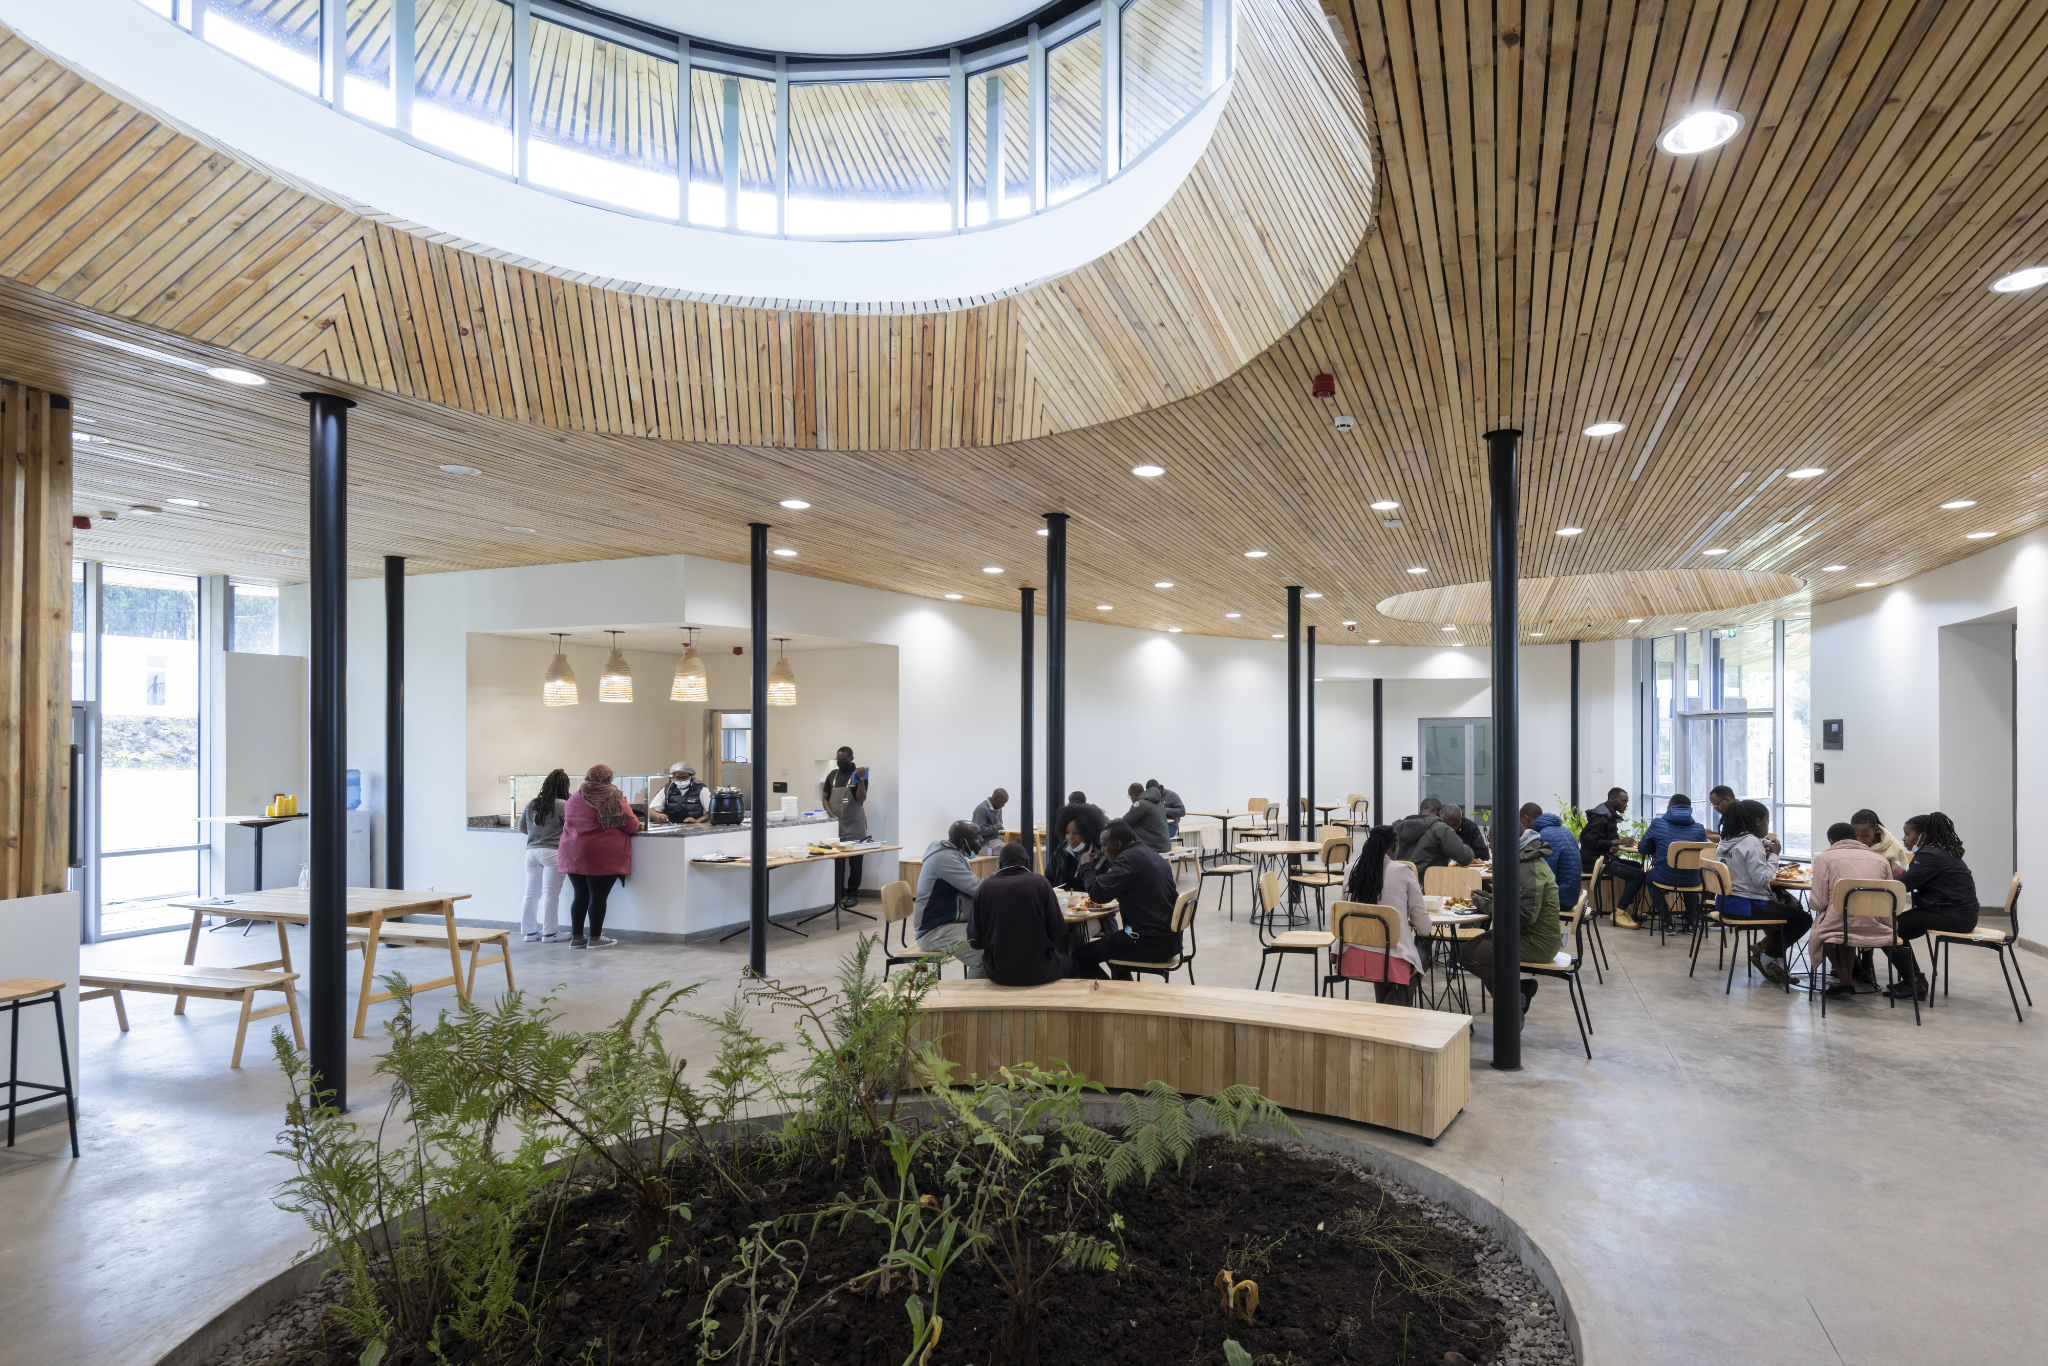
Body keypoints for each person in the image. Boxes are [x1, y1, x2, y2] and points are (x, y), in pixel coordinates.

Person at [1457, 827, 1560, 1014]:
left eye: (1492, 843)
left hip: (1536, 943)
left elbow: (1524, 915)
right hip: (1526, 936)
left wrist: (1485, 906)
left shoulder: (1527, 868)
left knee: (1470, 956)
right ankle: (1515, 1000)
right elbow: (1513, 901)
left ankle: (1513, 1002)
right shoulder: (1525, 859)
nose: (1490, 848)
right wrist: (1488, 898)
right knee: (1472, 949)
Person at [1883, 813, 1978, 1001]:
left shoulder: (1930, 854)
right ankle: (1916, 979)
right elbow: (1915, 878)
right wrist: (1904, 875)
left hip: (1952, 915)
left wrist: (1894, 876)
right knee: (1893, 927)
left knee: (1886, 929)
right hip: (1959, 913)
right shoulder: (1941, 852)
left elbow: (1905, 885)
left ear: (1923, 836)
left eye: (1907, 834)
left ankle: (1913, 982)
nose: (1903, 838)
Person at [1074, 820, 1182, 979]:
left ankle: (1112, 993)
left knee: (1079, 955)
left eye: (1104, 845)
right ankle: (1124, 992)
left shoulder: (1128, 860)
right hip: (1170, 941)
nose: (1102, 851)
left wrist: (1085, 867)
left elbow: (1098, 894)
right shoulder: (1150, 854)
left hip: (1150, 944)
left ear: (1117, 845)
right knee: (1112, 946)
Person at [1714, 799, 1806, 985]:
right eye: (1767, 820)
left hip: (1725, 902)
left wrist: (1763, 843)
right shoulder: (1752, 844)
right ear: (1757, 821)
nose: (1768, 825)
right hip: (1745, 905)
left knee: (1785, 913)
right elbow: (1762, 880)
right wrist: (1774, 856)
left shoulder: (1727, 839)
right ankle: (1765, 959)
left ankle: (1776, 962)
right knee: (1803, 918)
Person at [1338, 824, 1432, 1004]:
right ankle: (1390, 1012)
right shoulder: (1404, 871)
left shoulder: (1351, 869)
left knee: (1383, 948)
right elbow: (1425, 928)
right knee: (1420, 956)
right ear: (1395, 846)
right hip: (1390, 959)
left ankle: (1382, 1011)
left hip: (1351, 954)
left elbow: (1346, 909)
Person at [1808, 820, 1897, 999]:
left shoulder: (1824, 858)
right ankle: (1845, 981)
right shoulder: (1880, 860)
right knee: (1844, 924)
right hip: (1879, 926)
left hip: (1840, 925)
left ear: (1832, 842)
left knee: (1830, 925)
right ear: (1855, 838)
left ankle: (1845, 981)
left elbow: (1817, 903)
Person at [967, 841, 1073, 985]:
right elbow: (1057, 932)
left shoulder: (985, 887)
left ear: (1000, 864)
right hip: (1040, 970)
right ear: (1028, 862)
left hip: (997, 973)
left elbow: (974, 941)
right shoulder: (1040, 883)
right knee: (1074, 964)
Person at [557, 763, 638, 948]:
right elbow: (631, 825)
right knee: (598, 896)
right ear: (608, 778)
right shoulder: (612, 797)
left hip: (572, 851)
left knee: (580, 895)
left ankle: (576, 939)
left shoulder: (574, 797)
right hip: (601, 853)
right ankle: (595, 939)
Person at [914, 820, 985, 976]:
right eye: (977, 836)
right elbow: (977, 888)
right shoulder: (945, 859)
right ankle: (977, 1000)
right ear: (963, 841)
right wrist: (1004, 886)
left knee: (993, 939)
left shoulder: (952, 854)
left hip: (947, 924)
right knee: (983, 957)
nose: (982, 840)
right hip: (933, 932)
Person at [515, 768, 571, 942]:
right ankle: (550, 933)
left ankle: (530, 933)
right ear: (564, 786)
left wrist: (537, 834)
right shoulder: (564, 804)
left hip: (531, 852)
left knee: (531, 894)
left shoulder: (532, 803)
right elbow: (571, 829)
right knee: (550, 894)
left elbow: (522, 827)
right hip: (553, 852)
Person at [1638, 794, 1709, 926]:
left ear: (1669, 807)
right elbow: (1705, 854)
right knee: (1690, 876)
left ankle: (1666, 920)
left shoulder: (1657, 823)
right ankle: (1692, 921)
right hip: (1694, 880)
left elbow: (1642, 849)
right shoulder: (1699, 828)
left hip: (1664, 877)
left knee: (1650, 877)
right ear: (1690, 809)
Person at [1579, 787, 1645, 928]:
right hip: (1594, 861)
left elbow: (1605, 838)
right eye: (1623, 801)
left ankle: (1628, 908)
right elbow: (1589, 841)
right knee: (1638, 875)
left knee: (1637, 866)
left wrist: (1613, 845)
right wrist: (1618, 842)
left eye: (1626, 802)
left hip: (1603, 857)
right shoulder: (1601, 817)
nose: (1626, 805)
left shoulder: (1608, 814)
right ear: (1612, 799)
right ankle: (1619, 913)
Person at [823, 746, 870, 911]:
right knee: (837, 861)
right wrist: (830, 814)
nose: (840, 762)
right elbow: (825, 798)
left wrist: (862, 779)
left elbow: (860, 799)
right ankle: (837, 894)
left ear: (851, 758)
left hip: (854, 823)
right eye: (838, 759)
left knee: (856, 862)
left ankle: (852, 895)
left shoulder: (858, 775)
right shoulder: (832, 775)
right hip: (836, 824)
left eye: (843, 759)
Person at [1394, 797, 1472, 875]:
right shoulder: (1440, 829)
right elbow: (1466, 857)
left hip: (1400, 884)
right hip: (1429, 885)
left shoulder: (1396, 829)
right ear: (1440, 813)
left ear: (1420, 812)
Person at [1525, 803, 1582, 910]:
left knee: (1514, 901)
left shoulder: (1545, 835)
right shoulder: (1563, 830)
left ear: (1526, 819)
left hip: (1560, 899)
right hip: (1570, 894)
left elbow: (1544, 875)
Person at [1045, 802, 1107, 890]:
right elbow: (1049, 880)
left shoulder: (1102, 856)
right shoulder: (1060, 853)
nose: (1070, 837)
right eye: (1067, 832)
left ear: (1088, 833)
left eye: (1076, 832)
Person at [1120, 781, 1173, 854]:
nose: (1130, 798)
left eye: (1130, 796)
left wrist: (1108, 821)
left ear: (1134, 794)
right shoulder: (1158, 803)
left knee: (1126, 830)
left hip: (1154, 847)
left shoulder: (1141, 804)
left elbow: (1124, 822)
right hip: (1165, 845)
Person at [1852, 808, 1909, 874]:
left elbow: (1901, 875)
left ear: (1875, 830)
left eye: (1865, 836)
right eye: (1856, 836)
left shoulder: (1894, 846)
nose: (1860, 840)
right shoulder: (1849, 845)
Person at [652, 761, 709, 825]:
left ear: (690, 776)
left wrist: (696, 822)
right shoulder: (667, 789)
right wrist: (658, 816)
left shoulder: (701, 789)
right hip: (671, 827)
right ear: (673, 777)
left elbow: (711, 812)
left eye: (685, 778)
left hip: (694, 829)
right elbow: (650, 810)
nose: (681, 780)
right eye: (678, 778)